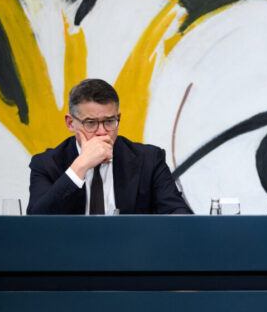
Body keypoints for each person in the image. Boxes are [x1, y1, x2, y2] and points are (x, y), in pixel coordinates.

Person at [27, 79, 192, 215]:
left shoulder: (149, 160)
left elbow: (179, 216)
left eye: (109, 121)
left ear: (118, 117)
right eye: (90, 123)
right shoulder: (46, 164)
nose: (102, 132)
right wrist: (81, 165)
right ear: (71, 123)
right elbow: (35, 224)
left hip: (131, 252)